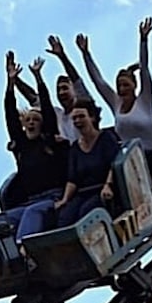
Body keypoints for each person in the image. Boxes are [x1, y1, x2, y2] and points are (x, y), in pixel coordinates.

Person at [0, 53, 69, 245]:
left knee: (31, 215)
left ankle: (23, 252)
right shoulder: (21, 145)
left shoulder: (48, 139)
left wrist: (38, 78)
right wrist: (10, 82)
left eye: (36, 120)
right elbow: (10, 115)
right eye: (28, 120)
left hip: (51, 197)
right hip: (29, 200)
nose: (31, 123)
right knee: (3, 221)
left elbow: (47, 109)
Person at [76, 17, 152, 172]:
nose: (122, 89)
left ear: (134, 85)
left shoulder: (144, 100)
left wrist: (143, 40)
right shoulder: (116, 103)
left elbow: (145, 69)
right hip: (128, 161)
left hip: (151, 157)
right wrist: (86, 54)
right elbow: (98, 81)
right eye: (119, 86)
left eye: (126, 85)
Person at [53, 97, 121, 227]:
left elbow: (114, 164)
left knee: (86, 213)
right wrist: (65, 199)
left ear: (92, 118)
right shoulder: (75, 148)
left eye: (81, 117)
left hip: (102, 189)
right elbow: (72, 179)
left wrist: (108, 185)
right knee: (65, 217)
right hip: (83, 193)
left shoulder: (106, 138)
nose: (78, 121)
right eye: (74, 118)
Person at [11, 36, 92, 142]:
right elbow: (33, 98)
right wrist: (14, 79)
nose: (61, 92)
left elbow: (77, 82)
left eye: (65, 88)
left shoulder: (85, 106)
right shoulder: (57, 114)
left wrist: (62, 57)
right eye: (58, 89)